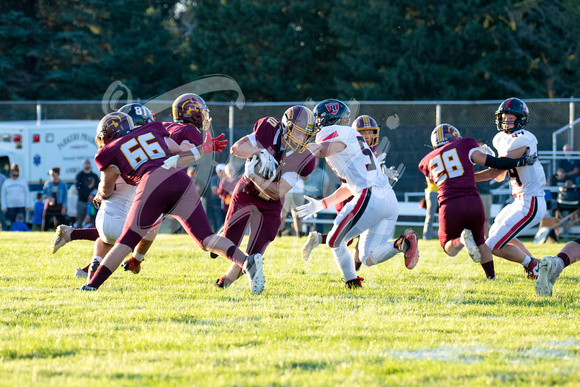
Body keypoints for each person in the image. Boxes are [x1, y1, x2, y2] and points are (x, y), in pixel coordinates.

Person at [82, 111, 265, 294]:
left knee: (125, 242)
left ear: (108, 135)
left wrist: (101, 195)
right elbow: (178, 155)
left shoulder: (109, 152)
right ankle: (247, 262)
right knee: (206, 238)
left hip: (152, 184)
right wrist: (205, 149)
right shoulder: (150, 130)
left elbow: (106, 190)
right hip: (179, 178)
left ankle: (92, 285)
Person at [299, 100, 419, 289]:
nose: (317, 123)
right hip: (387, 199)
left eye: (320, 118)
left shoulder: (331, 133)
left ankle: (352, 283)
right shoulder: (352, 135)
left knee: (334, 241)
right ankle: (402, 244)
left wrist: (298, 150)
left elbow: (324, 150)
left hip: (370, 197)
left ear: (328, 119)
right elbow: (348, 186)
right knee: (367, 257)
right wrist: (321, 204)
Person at [209, 105, 317, 289]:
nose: (303, 140)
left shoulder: (303, 157)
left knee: (255, 253)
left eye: (307, 135)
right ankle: (222, 236)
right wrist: (258, 151)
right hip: (246, 193)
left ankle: (224, 283)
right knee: (229, 244)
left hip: (271, 203)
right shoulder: (269, 129)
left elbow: (277, 191)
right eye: (299, 133)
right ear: (286, 127)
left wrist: (254, 175)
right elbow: (236, 148)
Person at [419, 123, 537, 280]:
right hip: (472, 202)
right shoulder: (465, 143)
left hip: (449, 204)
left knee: (448, 247)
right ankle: (491, 277)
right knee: (481, 241)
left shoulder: (428, 160)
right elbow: (494, 164)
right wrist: (521, 161)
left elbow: (443, 174)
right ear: (455, 136)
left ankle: (462, 240)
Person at [300, 114, 399, 263]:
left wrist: (382, 171)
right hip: (351, 196)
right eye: (363, 132)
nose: (366, 136)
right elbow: (356, 175)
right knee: (347, 239)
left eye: (369, 132)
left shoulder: (372, 150)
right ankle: (351, 278)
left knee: (351, 240)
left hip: (364, 195)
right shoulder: (349, 144)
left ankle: (319, 239)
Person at [475, 98, 547, 279]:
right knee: (494, 235)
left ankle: (533, 264)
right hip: (519, 200)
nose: (506, 119)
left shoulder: (525, 138)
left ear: (521, 118)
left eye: (511, 116)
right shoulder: (500, 139)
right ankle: (535, 265)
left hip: (531, 201)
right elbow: (499, 176)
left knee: (493, 245)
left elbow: (497, 168)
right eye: (503, 116)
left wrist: (465, 178)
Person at [303, 157, 330, 233]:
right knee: (306, 219)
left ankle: (320, 235)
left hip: (317, 199)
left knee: (319, 220)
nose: (315, 162)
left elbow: (326, 184)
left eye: (316, 160)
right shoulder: (305, 172)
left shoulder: (322, 173)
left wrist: (324, 198)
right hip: (305, 199)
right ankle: (306, 235)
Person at [74, 159, 99, 228]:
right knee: (80, 218)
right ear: (83, 164)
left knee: (93, 219)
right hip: (82, 201)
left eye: (88, 163)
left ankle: (94, 234)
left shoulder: (94, 176)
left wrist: (92, 196)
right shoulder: (79, 175)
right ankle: (78, 233)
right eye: (86, 163)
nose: (87, 165)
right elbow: (78, 188)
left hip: (93, 202)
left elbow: (98, 187)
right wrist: (87, 196)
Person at [42, 167, 67, 231]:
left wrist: (64, 207)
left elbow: (65, 197)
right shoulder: (48, 183)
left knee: (59, 225)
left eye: (53, 174)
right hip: (49, 205)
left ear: (58, 174)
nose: (52, 176)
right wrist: (48, 197)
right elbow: (43, 193)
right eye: (51, 175)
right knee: (45, 223)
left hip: (59, 205)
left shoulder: (63, 184)